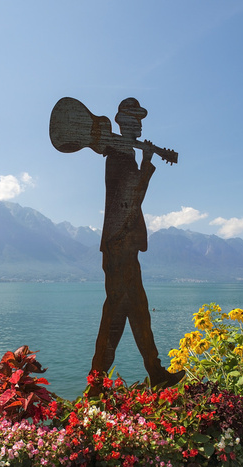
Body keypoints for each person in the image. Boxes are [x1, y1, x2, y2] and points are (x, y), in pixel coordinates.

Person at [90, 98, 185, 388]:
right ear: (121, 124)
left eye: (140, 122)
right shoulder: (119, 156)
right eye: (134, 121)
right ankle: (96, 384)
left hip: (124, 247)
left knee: (137, 311)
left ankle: (153, 373)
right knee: (116, 316)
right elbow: (132, 200)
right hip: (119, 245)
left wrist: (143, 161)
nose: (140, 126)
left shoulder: (123, 153)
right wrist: (147, 164)